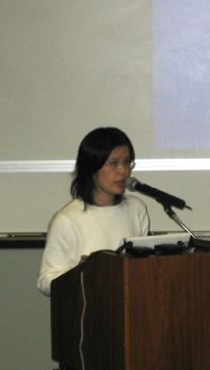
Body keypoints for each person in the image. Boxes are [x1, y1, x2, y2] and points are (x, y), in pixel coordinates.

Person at [36, 127, 150, 296]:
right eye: (114, 163)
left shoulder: (137, 209)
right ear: (92, 167)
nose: (123, 171)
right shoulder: (67, 219)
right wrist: (79, 273)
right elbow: (45, 281)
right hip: (88, 313)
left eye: (127, 162)